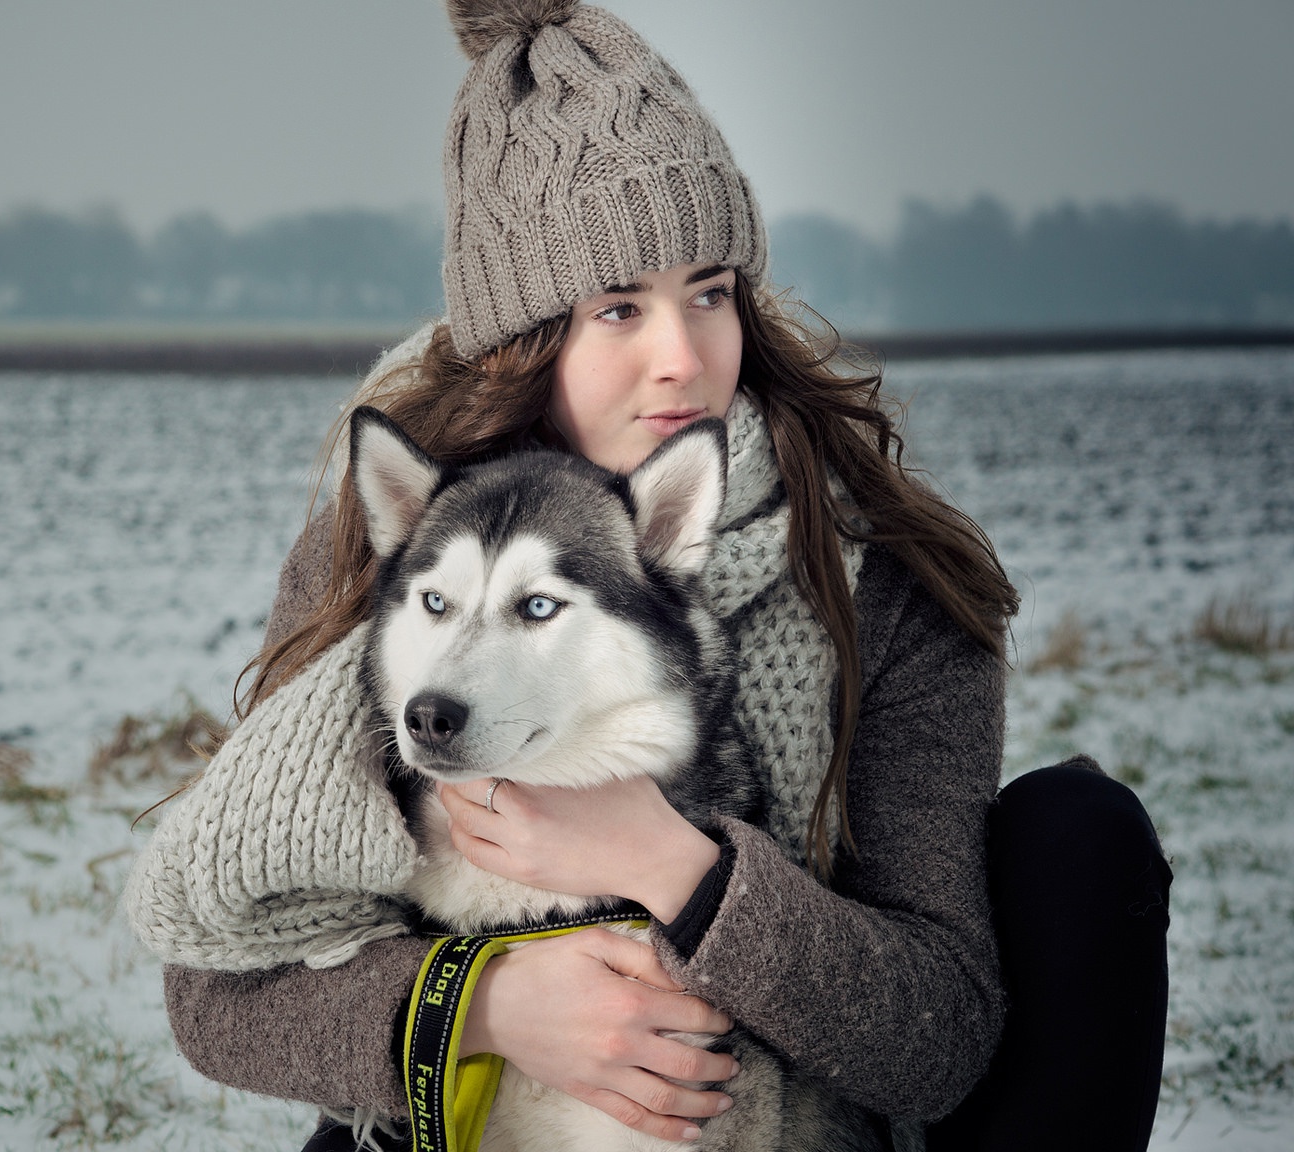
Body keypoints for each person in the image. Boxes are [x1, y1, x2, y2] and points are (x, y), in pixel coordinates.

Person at [123, 3, 1172, 1150]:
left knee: (1078, 835)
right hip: (471, 1104)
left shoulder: (878, 570)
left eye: (709, 292)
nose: (682, 356)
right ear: (527, 339)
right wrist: (487, 1005)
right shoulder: (410, 545)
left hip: (790, 1112)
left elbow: (938, 1039)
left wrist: (670, 862)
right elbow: (215, 992)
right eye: (617, 307)